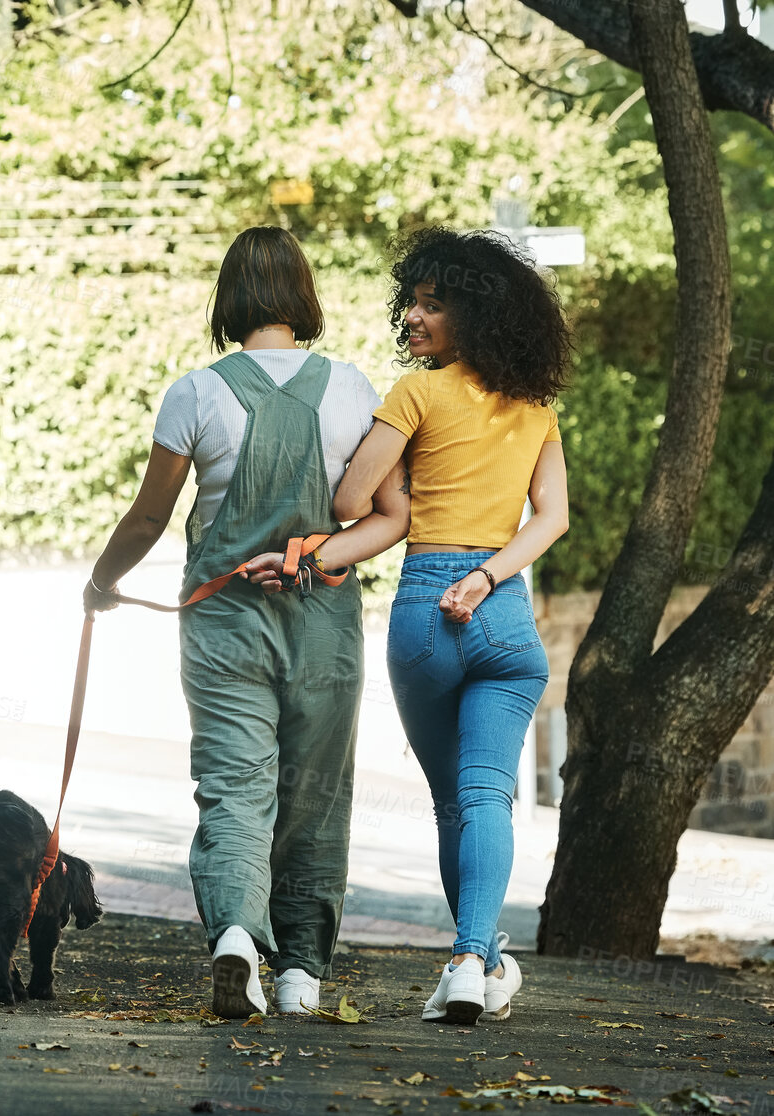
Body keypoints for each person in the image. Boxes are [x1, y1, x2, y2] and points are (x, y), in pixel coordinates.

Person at [87, 226, 410, 1017]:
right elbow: (391, 513)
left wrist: (101, 582)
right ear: (303, 296)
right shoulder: (354, 390)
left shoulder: (194, 393)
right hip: (324, 623)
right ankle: (300, 971)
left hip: (223, 626)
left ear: (226, 299)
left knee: (233, 788)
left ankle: (235, 935)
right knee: (315, 794)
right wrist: (320, 552)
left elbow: (148, 517)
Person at [332, 227, 571, 1025]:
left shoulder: (414, 395)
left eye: (431, 307)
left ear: (473, 315)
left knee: (453, 806)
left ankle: (473, 960)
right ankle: (478, 960)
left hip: (427, 610)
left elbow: (351, 502)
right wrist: (489, 574)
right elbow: (552, 520)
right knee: (484, 800)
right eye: (411, 304)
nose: (412, 320)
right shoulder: (536, 406)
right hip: (501, 611)